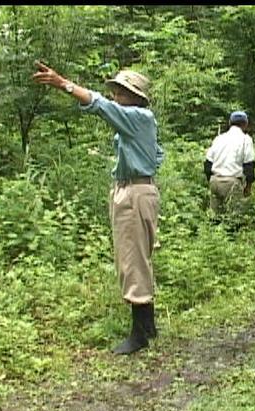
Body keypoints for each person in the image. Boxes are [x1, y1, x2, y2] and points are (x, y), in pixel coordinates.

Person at [32, 61, 164, 355]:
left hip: (135, 191)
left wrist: (63, 83)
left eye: (121, 90)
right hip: (135, 188)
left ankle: (139, 334)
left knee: (132, 260)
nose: (116, 95)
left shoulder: (138, 117)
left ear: (135, 95)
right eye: (115, 90)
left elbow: (100, 105)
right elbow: (157, 153)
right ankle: (148, 326)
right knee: (136, 257)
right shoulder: (137, 122)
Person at [204, 111, 255, 219]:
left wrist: (210, 179)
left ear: (230, 123)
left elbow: (208, 163)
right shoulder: (246, 140)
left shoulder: (219, 138)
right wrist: (248, 186)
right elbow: (249, 165)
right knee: (233, 220)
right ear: (245, 124)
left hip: (215, 180)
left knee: (215, 218)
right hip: (232, 182)